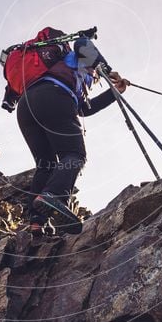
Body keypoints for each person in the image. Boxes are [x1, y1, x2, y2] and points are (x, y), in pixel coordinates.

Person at [15, 36, 128, 235]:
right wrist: (108, 70)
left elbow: (84, 109)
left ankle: (37, 221)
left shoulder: (69, 74)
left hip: (26, 106)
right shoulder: (74, 56)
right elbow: (83, 42)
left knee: (46, 165)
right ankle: (54, 196)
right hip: (54, 95)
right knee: (75, 155)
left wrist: (114, 93)